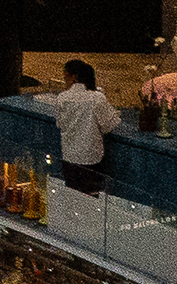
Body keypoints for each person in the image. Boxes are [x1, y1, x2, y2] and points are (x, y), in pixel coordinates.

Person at [46, 58, 123, 193]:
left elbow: (60, 124)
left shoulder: (62, 98)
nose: (65, 82)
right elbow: (109, 125)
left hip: (69, 158)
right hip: (91, 158)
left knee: (72, 196)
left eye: (65, 78)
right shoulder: (97, 98)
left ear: (74, 77)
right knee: (91, 199)